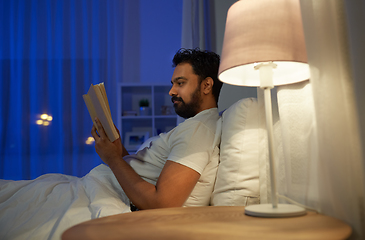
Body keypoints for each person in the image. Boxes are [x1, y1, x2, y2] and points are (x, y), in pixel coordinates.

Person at [91, 48, 223, 210]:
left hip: (105, 195)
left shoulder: (198, 130)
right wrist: (119, 151)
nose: (171, 91)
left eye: (180, 83)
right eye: (173, 84)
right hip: (101, 188)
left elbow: (162, 203)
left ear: (207, 86)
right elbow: (144, 173)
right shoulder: (195, 126)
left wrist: (113, 159)